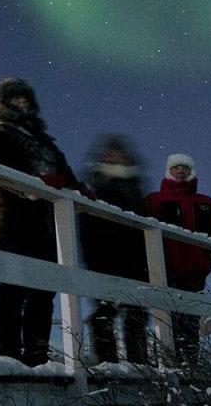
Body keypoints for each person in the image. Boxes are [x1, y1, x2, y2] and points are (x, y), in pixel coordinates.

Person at [0, 77, 87, 367]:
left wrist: (80, 190)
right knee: (14, 286)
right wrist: (32, 185)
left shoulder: (44, 141)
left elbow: (66, 175)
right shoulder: (0, 132)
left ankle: (37, 354)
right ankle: (10, 356)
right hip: (13, 220)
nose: (22, 103)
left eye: (25, 98)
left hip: (47, 224)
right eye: (15, 98)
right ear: (5, 103)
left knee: (44, 289)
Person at [144, 153, 211, 364]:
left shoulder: (207, 203)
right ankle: (168, 363)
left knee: (191, 320)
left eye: (185, 168)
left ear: (191, 172)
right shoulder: (154, 200)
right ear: (169, 171)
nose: (181, 171)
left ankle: (190, 364)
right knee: (166, 315)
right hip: (165, 267)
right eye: (176, 168)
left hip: (196, 269)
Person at [80, 135, 151, 365]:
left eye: (119, 152)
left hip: (135, 255)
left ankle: (138, 361)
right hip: (102, 254)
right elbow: (86, 221)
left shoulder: (135, 187)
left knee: (137, 310)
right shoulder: (95, 182)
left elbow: (144, 220)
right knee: (104, 309)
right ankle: (106, 362)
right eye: (110, 152)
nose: (115, 156)